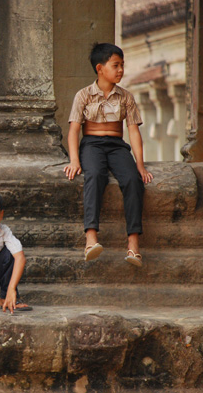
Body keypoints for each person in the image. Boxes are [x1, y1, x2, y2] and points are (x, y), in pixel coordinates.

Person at [63, 42, 153, 267]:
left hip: (116, 145)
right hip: (91, 145)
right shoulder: (83, 95)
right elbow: (74, 130)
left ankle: (133, 245)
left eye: (122, 65)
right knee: (94, 175)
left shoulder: (126, 97)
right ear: (100, 68)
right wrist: (74, 159)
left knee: (132, 180)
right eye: (116, 65)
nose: (121, 70)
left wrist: (140, 165)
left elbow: (133, 132)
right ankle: (91, 238)